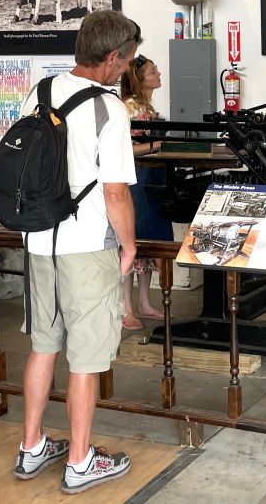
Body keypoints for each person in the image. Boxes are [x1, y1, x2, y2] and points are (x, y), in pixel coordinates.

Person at [13, 10, 139, 493]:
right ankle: (82, 461)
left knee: (43, 345)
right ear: (110, 58)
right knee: (85, 356)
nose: (126, 70)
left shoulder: (39, 93)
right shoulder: (110, 110)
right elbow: (115, 194)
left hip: (38, 241)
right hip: (87, 247)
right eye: (125, 62)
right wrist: (129, 246)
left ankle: (31, 447)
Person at [119, 53, 174, 331]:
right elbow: (125, 148)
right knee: (133, 242)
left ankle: (143, 303)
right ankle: (127, 308)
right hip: (137, 181)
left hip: (150, 179)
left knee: (149, 242)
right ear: (139, 78)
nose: (158, 73)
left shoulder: (146, 108)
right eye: (153, 71)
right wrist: (157, 146)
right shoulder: (131, 108)